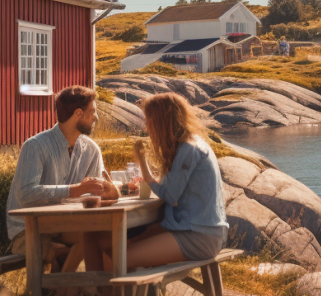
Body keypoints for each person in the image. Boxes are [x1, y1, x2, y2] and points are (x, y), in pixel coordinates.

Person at [88, 92, 228, 271]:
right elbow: (172, 189)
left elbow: (169, 196)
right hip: (193, 229)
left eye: (149, 122)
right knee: (108, 242)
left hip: (198, 235)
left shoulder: (189, 150)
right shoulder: (190, 144)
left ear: (162, 122)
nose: (148, 128)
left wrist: (144, 166)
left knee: (120, 256)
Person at [6, 85, 117, 270]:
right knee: (87, 239)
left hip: (67, 226)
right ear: (78, 114)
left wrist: (107, 191)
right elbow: (25, 193)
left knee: (102, 236)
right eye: (93, 111)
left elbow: (95, 196)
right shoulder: (35, 146)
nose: (96, 117)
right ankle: (64, 287)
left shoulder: (91, 150)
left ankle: (80, 290)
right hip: (29, 230)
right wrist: (75, 190)